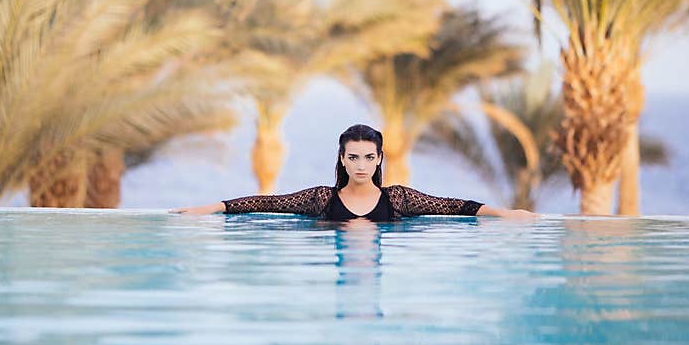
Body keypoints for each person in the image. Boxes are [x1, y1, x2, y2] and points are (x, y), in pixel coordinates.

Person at [172, 124, 540, 220]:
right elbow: (266, 202)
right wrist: (209, 209)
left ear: (380, 159)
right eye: (354, 157)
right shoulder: (322, 199)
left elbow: (454, 206)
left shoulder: (397, 198)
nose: (361, 165)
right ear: (343, 160)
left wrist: (506, 213)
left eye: (368, 157)